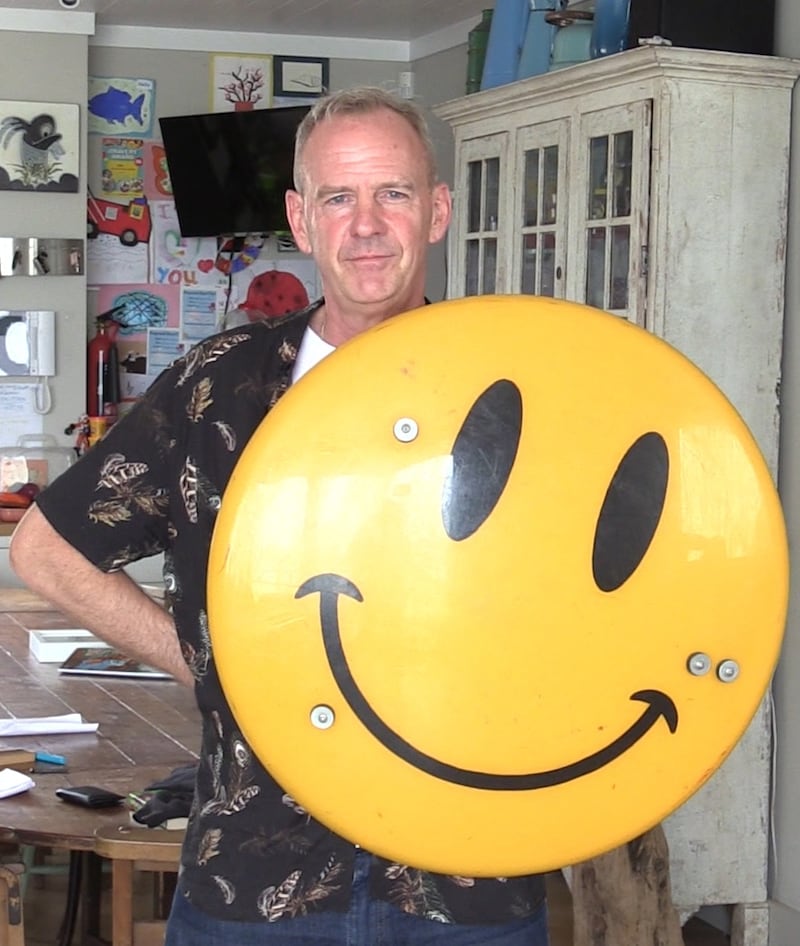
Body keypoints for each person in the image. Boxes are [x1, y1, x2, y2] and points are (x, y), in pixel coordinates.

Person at [9, 87, 549, 945]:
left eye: (394, 194)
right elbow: (47, 551)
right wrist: (209, 666)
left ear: (438, 211)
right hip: (258, 872)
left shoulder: (530, 384)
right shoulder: (218, 385)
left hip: (469, 873)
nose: (366, 225)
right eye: (340, 197)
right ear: (302, 219)